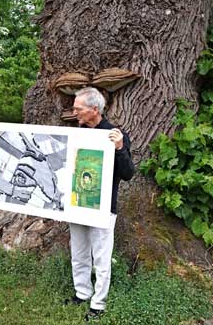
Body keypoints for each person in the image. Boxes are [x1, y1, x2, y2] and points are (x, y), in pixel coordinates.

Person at [65, 87, 134, 321]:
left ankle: (98, 304)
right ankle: (82, 293)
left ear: (94, 109)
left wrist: (120, 148)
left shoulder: (114, 135)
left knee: (102, 258)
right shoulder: (78, 134)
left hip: (103, 207)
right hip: (77, 204)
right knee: (79, 252)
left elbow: (128, 174)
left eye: (78, 108)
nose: (74, 112)